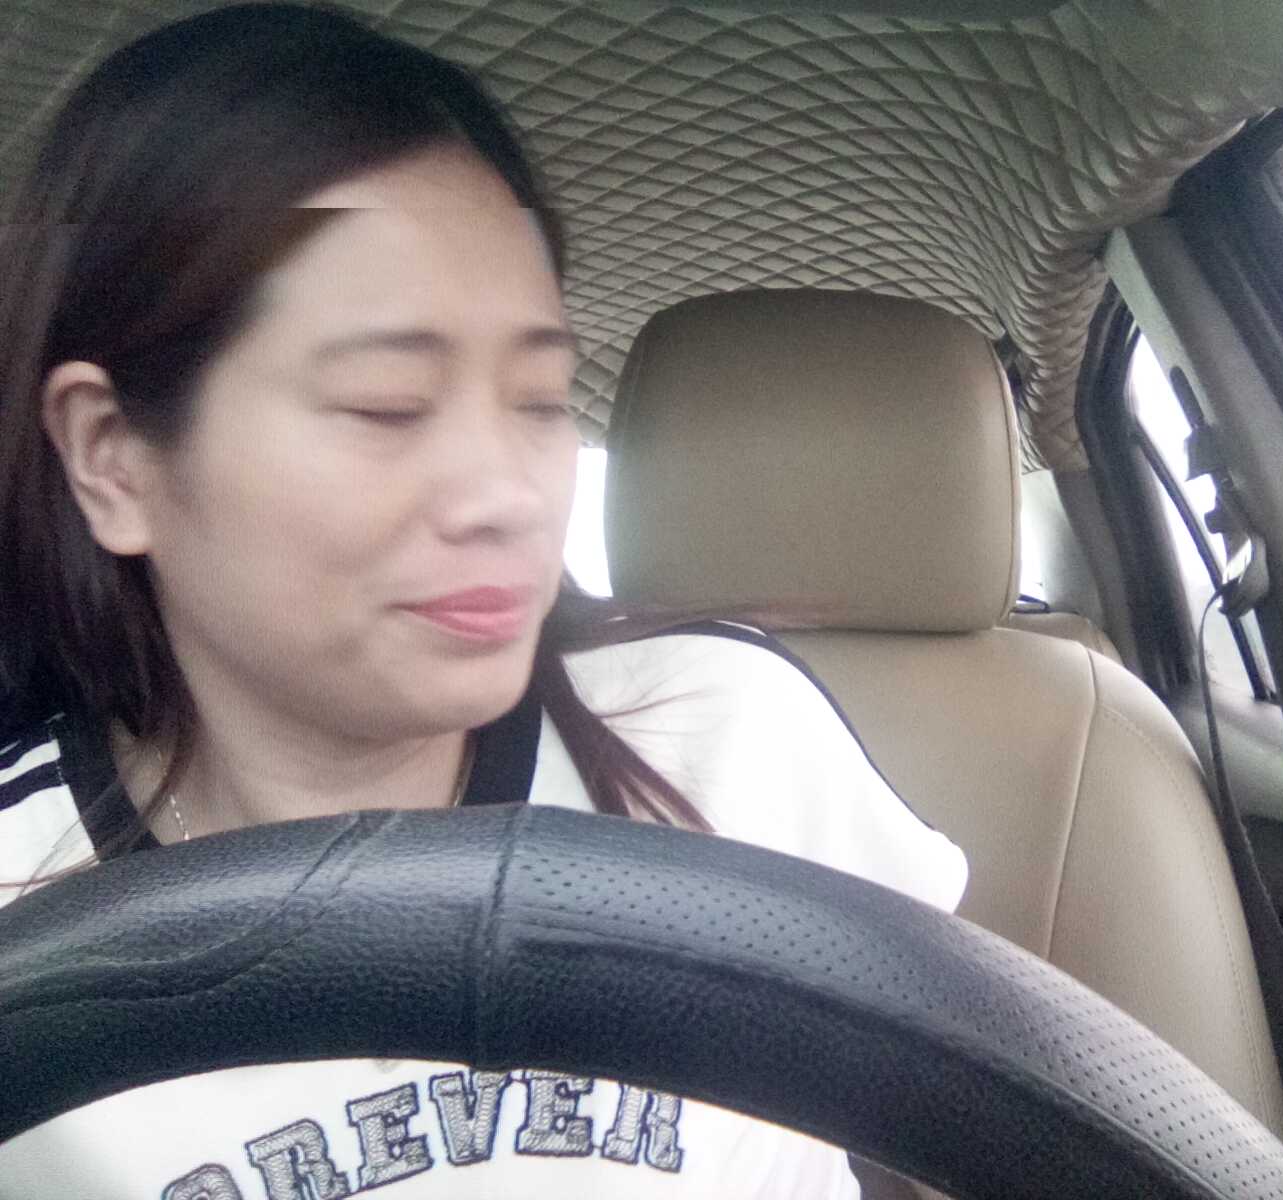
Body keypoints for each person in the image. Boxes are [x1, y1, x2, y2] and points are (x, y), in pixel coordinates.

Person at [0, 4, 967, 1196]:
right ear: (111, 458)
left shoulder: (727, 744)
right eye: (387, 405)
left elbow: (979, 1128)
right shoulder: (18, 897)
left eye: (542, 401)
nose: (509, 496)